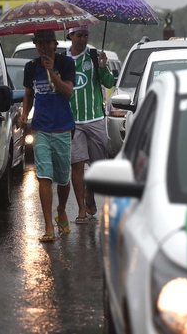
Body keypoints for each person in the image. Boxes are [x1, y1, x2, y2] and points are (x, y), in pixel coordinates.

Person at [19, 29, 76, 242]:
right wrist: (24, 115)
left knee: (63, 179)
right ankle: (48, 226)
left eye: (48, 42)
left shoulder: (66, 64)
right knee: (44, 176)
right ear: (35, 45)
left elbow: (68, 91)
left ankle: (61, 209)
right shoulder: (31, 67)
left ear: (54, 44)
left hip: (62, 128)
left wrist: (53, 73)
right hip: (40, 128)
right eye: (40, 43)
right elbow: (28, 94)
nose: (44, 47)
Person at [66, 25, 116, 224]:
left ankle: (90, 192)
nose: (83, 39)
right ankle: (80, 209)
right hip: (72, 122)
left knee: (97, 166)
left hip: (95, 119)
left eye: (86, 35)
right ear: (70, 36)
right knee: (76, 165)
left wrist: (103, 68)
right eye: (79, 35)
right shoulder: (63, 60)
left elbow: (110, 83)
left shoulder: (95, 56)